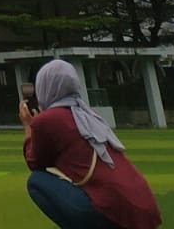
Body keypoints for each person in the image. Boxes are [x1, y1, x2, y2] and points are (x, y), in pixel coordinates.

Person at [21, 59, 161, 229]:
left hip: (111, 208)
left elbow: (34, 162)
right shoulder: (88, 114)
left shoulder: (48, 120)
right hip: (142, 207)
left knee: (36, 181)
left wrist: (29, 126)